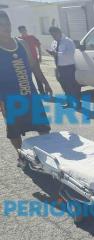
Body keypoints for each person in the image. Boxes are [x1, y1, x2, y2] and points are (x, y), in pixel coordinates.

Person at [0, 11, 52, 158]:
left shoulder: (21, 43)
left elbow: (34, 66)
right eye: (1, 24)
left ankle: (45, 154)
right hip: (9, 98)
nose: (6, 27)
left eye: (8, 23)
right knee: (14, 130)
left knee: (42, 126)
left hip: (30, 94)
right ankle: (21, 156)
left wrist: (45, 83)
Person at [47, 26, 80, 109]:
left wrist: (57, 54)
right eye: (52, 36)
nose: (53, 37)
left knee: (72, 86)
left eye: (54, 35)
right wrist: (51, 53)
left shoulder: (68, 41)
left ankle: (78, 102)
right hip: (59, 67)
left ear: (59, 33)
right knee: (64, 86)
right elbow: (54, 52)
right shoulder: (54, 42)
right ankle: (69, 102)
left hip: (68, 67)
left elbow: (70, 55)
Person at [18, 25, 44, 94]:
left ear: (26, 30)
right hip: (25, 62)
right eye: (22, 30)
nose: (24, 31)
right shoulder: (19, 40)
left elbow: (38, 46)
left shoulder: (32, 37)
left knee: (38, 76)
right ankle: (30, 92)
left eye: (24, 30)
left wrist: (40, 56)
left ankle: (42, 91)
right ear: (20, 31)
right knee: (27, 77)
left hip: (34, 60)